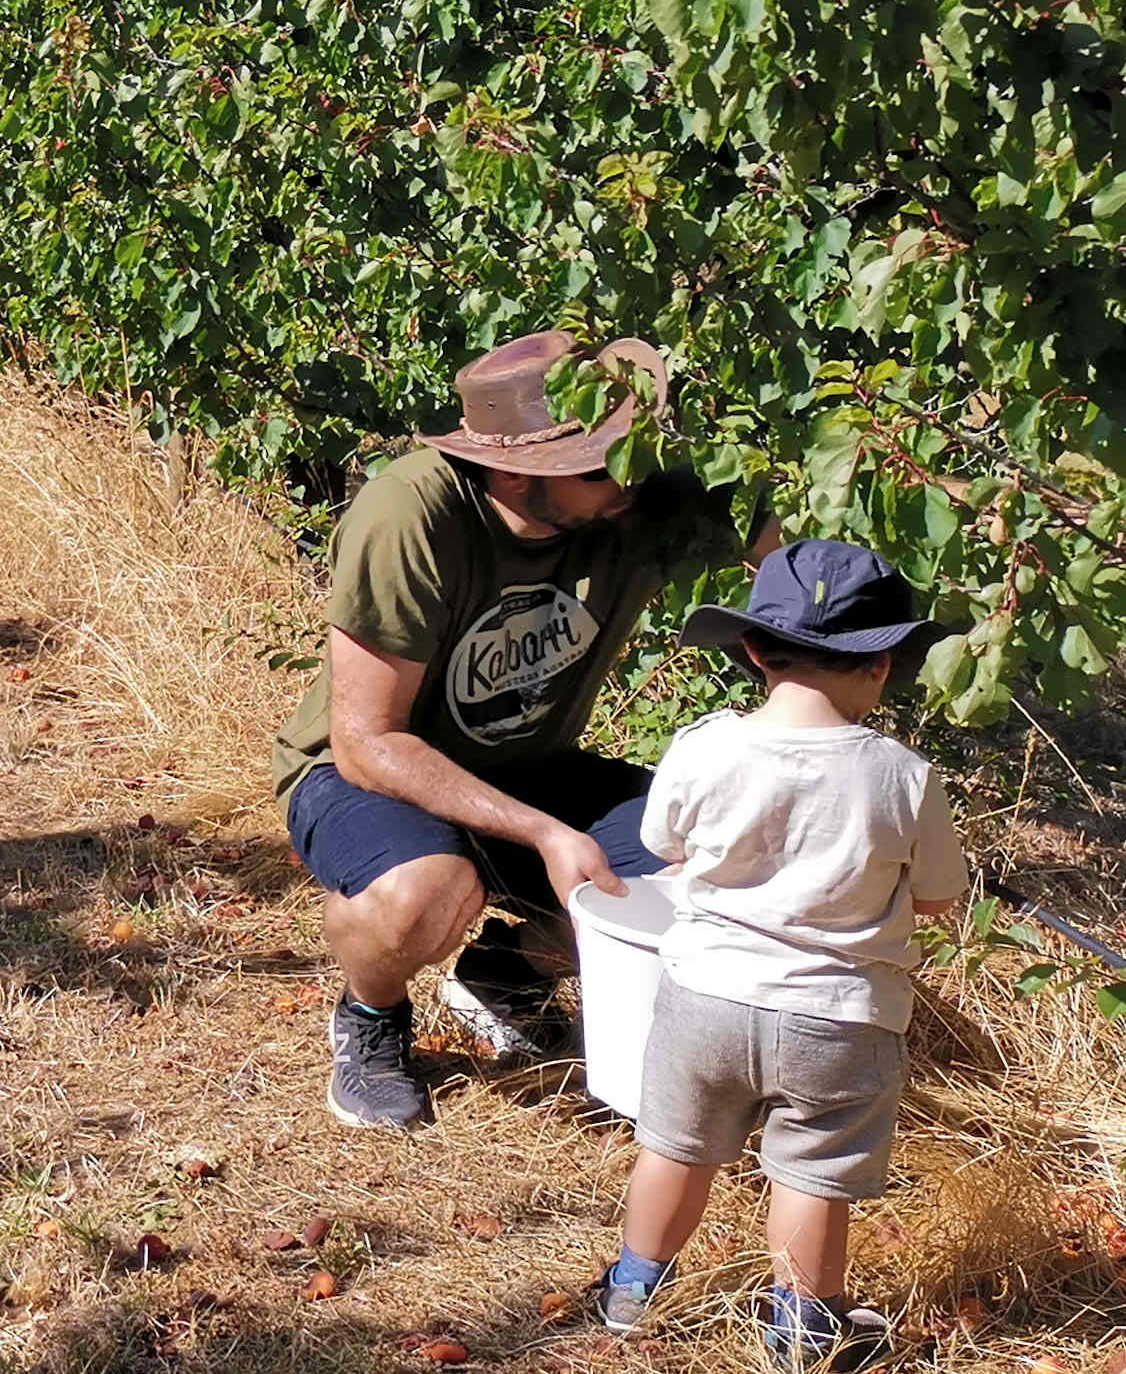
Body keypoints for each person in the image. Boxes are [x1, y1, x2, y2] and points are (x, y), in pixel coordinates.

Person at [274, 330, 775, 1130]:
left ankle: (507, 974)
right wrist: (544, 833)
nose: (630, 477)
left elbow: (797, 551)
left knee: (714, 862)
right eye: (600, 464)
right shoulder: (412, 514)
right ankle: (371, 1015)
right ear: (515, 471)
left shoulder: (633, 498)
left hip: (533, 764)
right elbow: (366, 743)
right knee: (422, 893)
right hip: (366, 774)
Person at [595, 540, 967, 1370]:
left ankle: (632, 1290)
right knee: (813, 1174)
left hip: (705, 998)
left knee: (675, 1147)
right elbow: (940, 897)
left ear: (756, 650)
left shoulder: (703, 745)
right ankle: (803, 1331)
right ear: (882, 665)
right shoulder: (904, 776)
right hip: (840, 1016)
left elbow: (662, 843)